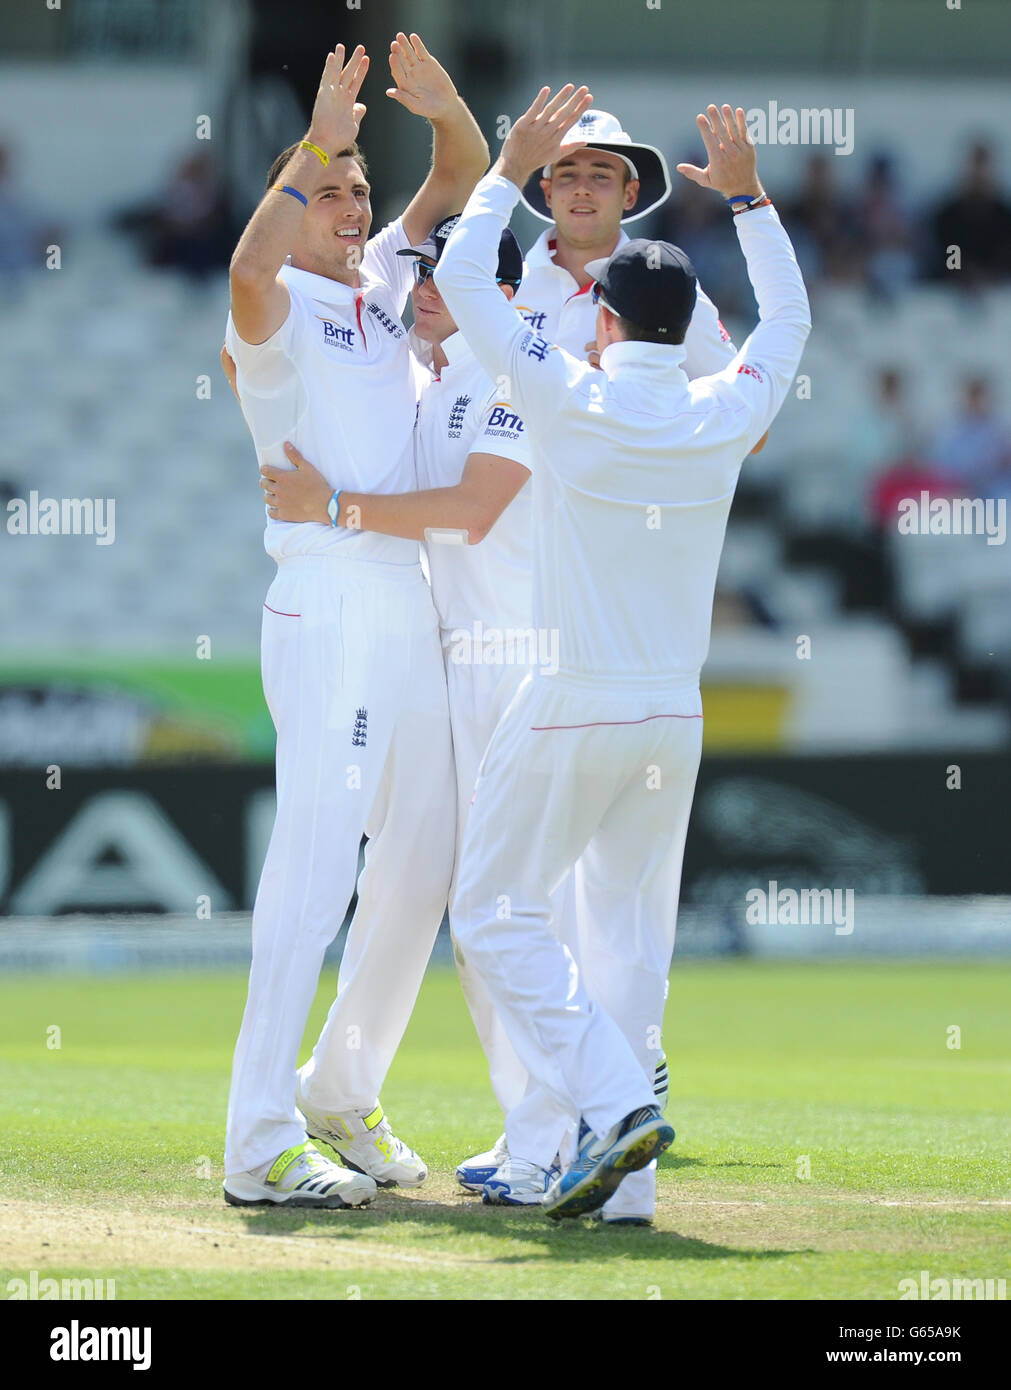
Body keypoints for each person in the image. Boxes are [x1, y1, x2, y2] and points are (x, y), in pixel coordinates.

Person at [435, 89, 811, 1220]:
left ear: (601, 321)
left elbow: (463, 280)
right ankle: (628, 1192)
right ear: (685, 325)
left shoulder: (566, 396)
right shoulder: (724, 410)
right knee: (631, 941)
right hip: (672, 716)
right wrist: (748, 197)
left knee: (492, 914)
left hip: (568, 699)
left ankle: (611, 1105)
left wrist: (505, 169)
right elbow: (789, 319)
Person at [222, 34, 487, 1210]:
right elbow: (246, 269)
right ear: (292, 203)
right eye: (328, 193)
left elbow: (463, 171)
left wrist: (442, 108)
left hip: (406, 593)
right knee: (319, 859)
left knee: (426, 856)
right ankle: (257, 1137)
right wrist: (316, 145)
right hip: (326, 589)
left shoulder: (382, 283)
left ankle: (340, 1083)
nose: (352, 207)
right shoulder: (274, 315)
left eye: (358, 192)